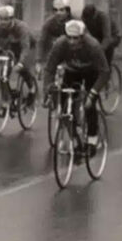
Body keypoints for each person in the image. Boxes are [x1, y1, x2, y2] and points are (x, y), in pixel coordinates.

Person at [43, 20, 108, 157]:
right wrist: (48, 89)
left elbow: (104, 72)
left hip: (91, 71)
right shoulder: (60, 44)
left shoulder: (93, 46)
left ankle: (92, 139)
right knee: (65, 107)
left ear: (82, 36)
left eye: (76, 38)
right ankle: (75, 138)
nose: (72, 42)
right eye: (69, 37)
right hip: (71, 71)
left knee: (89, 105)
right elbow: (49, 69)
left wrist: (92, 94)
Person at [0, 5, 37, 102]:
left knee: (23, 68)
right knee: (4, 72)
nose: (3, 22)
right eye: (1, 19)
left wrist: (20, 63)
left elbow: (25, 47)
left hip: (28, 47)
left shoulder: (21, 27)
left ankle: (32, 89)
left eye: (6, 19)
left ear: (12, 18)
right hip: (12, 47)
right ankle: (6, 99)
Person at [38, 0, 74, 69]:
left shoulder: (75, 23)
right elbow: (42, 41)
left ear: (68, 11)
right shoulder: (49, 23)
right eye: (55, 10)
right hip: (54, 54)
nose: (58, 13)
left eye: (61, 10)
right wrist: (38, 61)